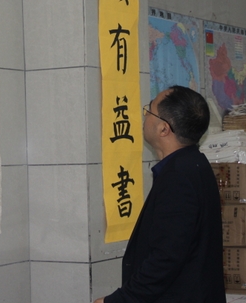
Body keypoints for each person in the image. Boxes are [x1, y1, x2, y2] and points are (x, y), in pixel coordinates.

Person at [94, 85, 226, 303]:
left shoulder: (179, 177)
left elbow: (165, 258)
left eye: (150, 110)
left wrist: (119, 300)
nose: (145, 115)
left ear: (164, 129)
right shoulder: (194, 164)